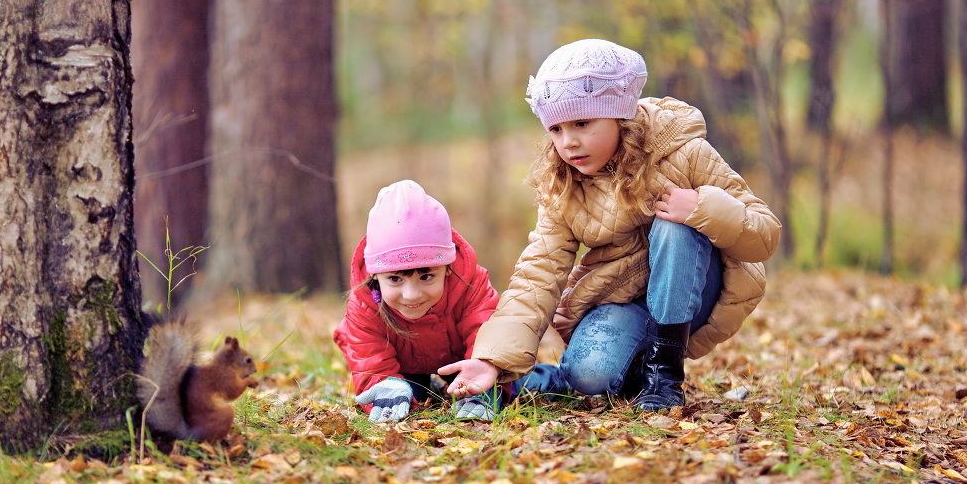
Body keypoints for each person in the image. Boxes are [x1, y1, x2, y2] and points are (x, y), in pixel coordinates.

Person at [440, 38, 782, 411]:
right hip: (624, 299)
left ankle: (664, 377)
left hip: (696, 288)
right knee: (590, 376)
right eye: (555, 129)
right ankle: (626, 369)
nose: (568, 142)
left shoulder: (684, 152)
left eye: (583, 123)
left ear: (619, 114)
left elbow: (764, 236)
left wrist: (703, 208)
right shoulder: (563, 183)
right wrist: (493, 359)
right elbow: (538, 273)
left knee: (675, 225)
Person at [334, 179, 508, 423]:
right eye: (395, 279)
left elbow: (486, 333)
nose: (411, 294)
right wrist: (384, 384)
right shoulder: (364, 303)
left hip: (461, 360)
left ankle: (553, 376)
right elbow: (368, 358)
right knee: (407, 392)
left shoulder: (470, 285)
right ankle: (411, 386)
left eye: (426, 276)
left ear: (447, 268)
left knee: (517, 381)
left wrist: (483, 372)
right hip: (403, 367)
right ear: (375, 275)